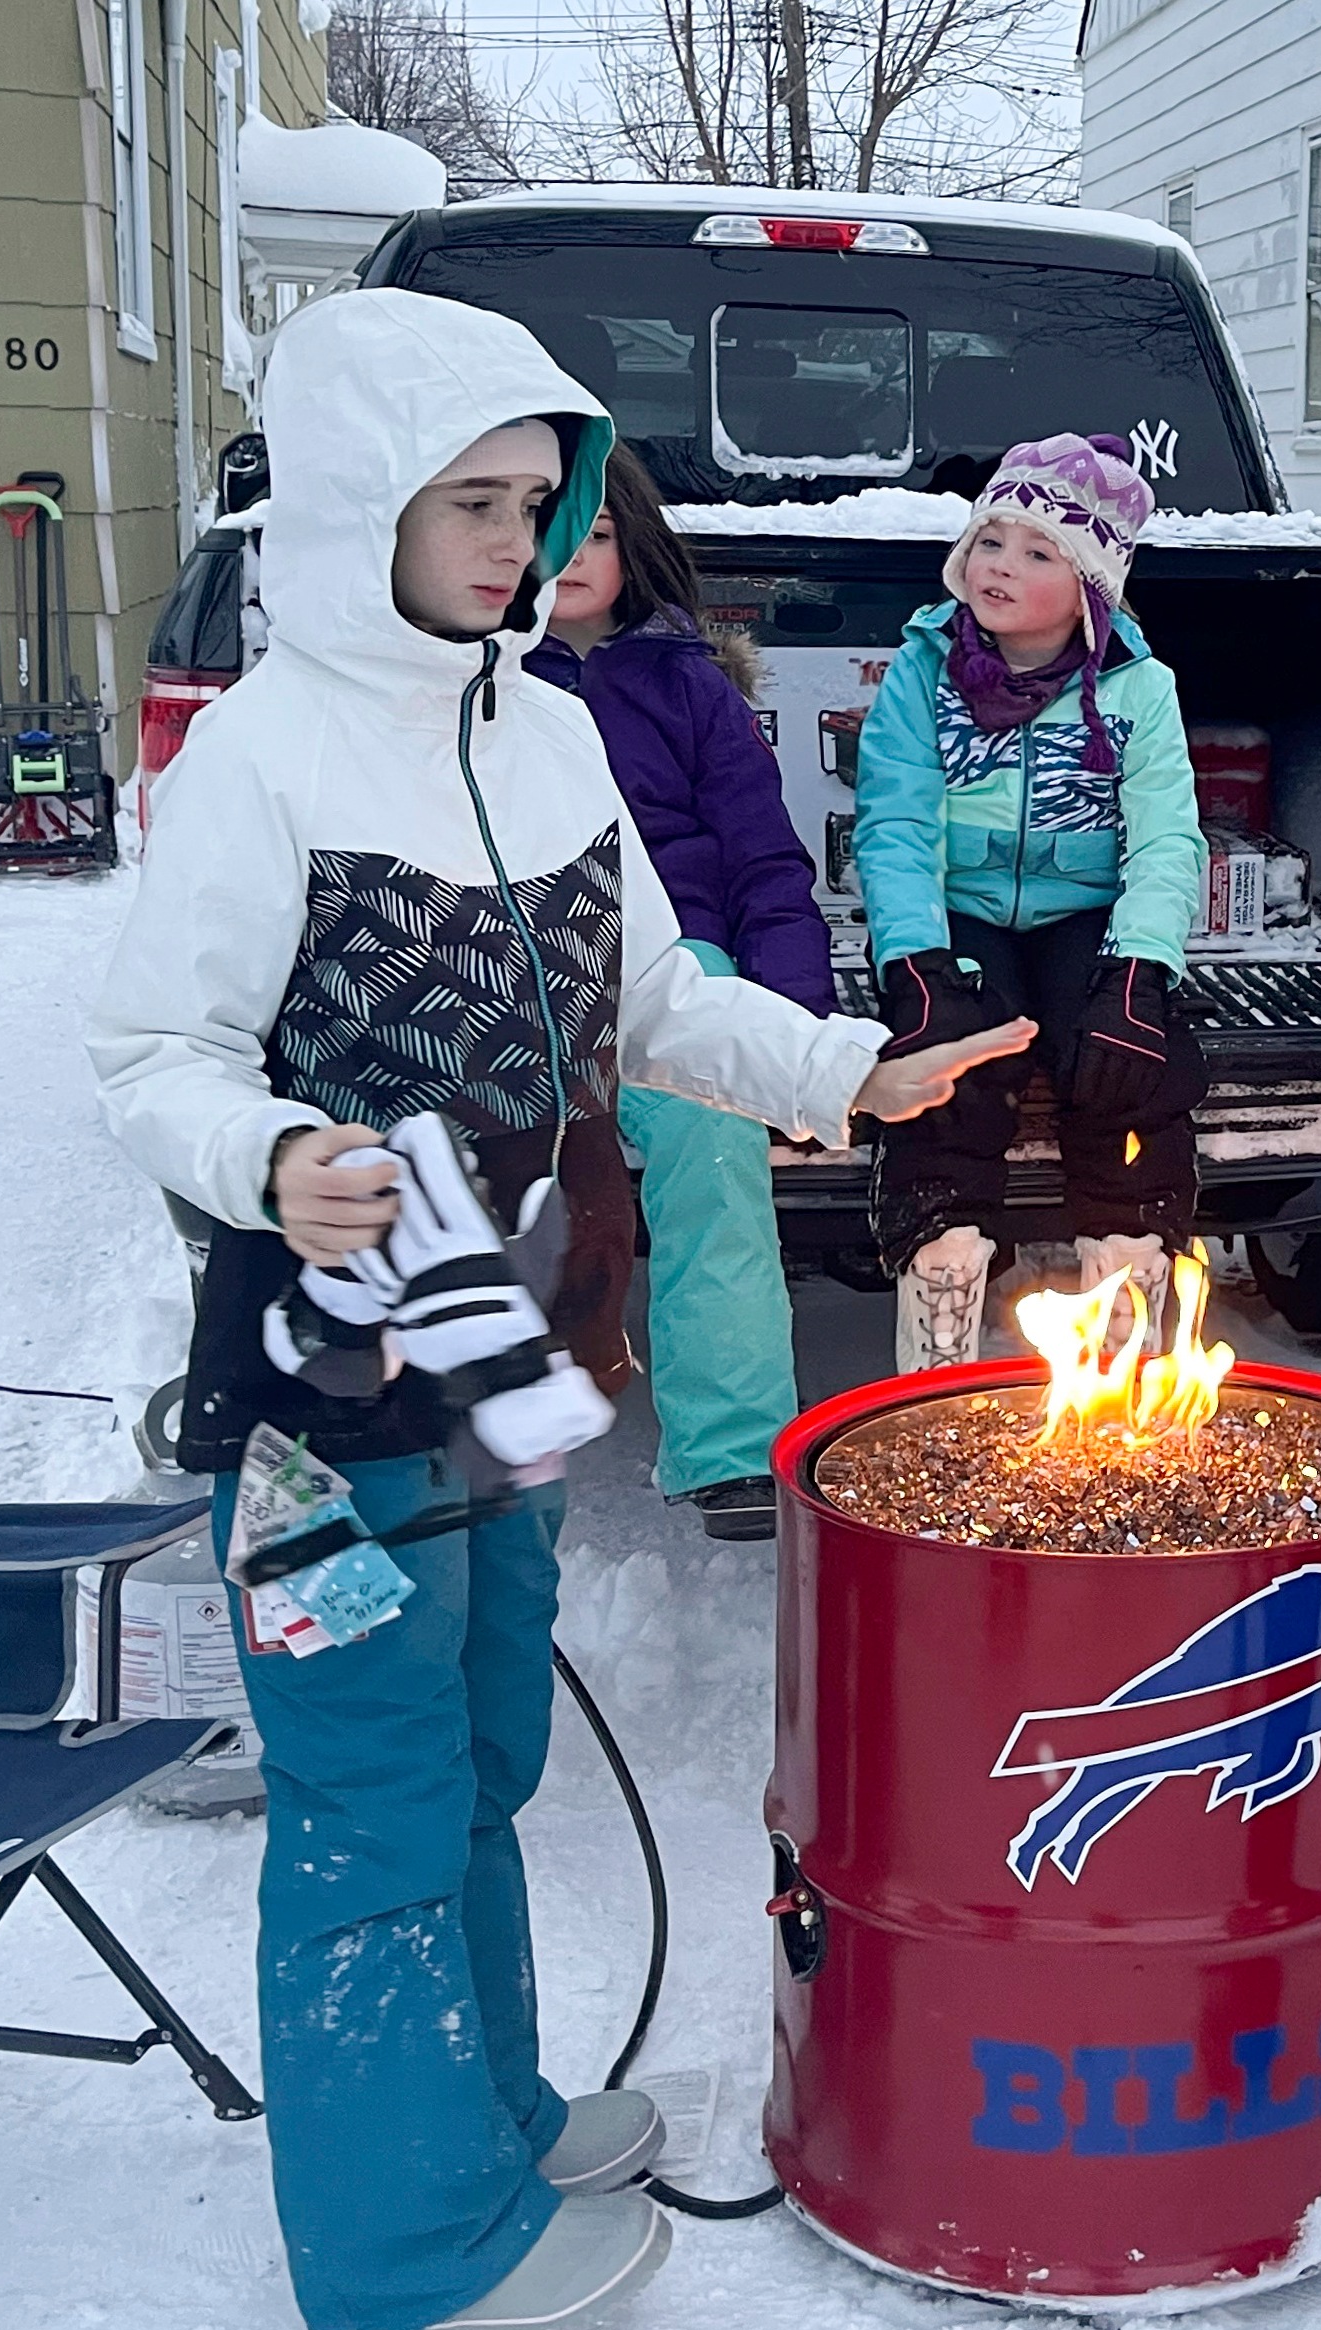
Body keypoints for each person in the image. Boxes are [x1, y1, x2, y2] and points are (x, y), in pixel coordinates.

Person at [85, 288, 1027, 2330]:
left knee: (487, 1739)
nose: (518, 542)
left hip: (512, 1346)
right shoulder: (260, 754)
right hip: (327, 1385)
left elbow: (660, 1007)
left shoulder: (547, 728)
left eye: (539, 498)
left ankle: (483, 2116)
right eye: (474, 503)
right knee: (372, 1790)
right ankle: (400, 2246)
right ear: (359, 511)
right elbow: (147, 1042)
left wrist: (845, 1072)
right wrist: (258, 1156)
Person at [527, 446, 833, 1542]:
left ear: (633, 552)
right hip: (519, 963)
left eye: (596, 535)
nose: (569, 557)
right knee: (499, 1168)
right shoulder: (470, 690)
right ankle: (482, 1429)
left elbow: (763, 860)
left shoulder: (687, 686)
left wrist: (791, 1023)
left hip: (683, 970)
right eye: (546, 527)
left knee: (712, 1144)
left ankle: (733, 1445)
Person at [853, 433, 1209, 1370]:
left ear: (1091, 585)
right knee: (955, 1057)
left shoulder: (1139, 687)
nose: (998, 565)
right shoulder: (922, 671)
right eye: (989, 540)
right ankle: (943, 1260)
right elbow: (894, 825)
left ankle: (1127, 1270)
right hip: (959, 905)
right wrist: (916, 962)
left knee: (1126, 1064)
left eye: (1037, 551)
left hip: (1084, 908)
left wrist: (1139, 968)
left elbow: (1167, 836)